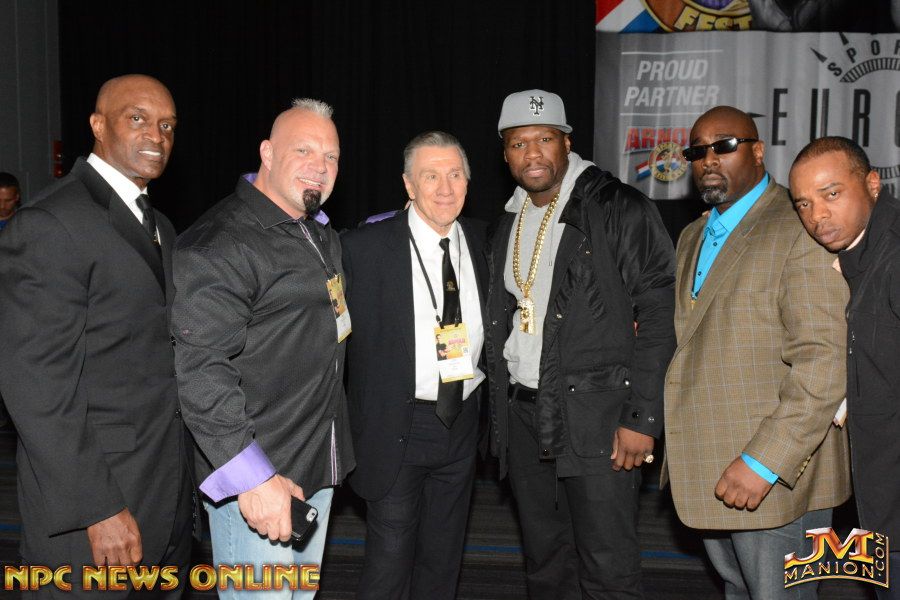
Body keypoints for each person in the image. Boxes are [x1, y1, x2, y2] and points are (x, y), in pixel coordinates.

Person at [0, 74, 193, 595]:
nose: (156, 135)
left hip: (165, 498)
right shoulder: (50, 223)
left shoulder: (161, 225)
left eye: (168, 125)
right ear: (98, 125)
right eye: (138, 119)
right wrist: (97, 508)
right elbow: (36, 388)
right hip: (94, 514)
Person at [484, 89, 675, 599]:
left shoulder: (617, 206)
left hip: (598, 416)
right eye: (519, 143)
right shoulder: (509, 219)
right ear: (505, 153)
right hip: (525, 413)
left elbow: (660, 312)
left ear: (567, 143)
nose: (533, 154)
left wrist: (642, 418)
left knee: (607, 566)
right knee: (546, 563)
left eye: (545, 139)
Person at [663, 106, 850, 599]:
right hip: (711, 465)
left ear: (759, 150)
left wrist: (764, 462)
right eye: (697, 151)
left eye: (724, 145)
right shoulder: (692, 235)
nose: (709, 159)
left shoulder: (800, 225)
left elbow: (824, 361)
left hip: (778, 474)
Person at [171, 98, 354, 599]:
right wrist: (253, 480)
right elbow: (199, 371)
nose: (320, 165)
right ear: (267, 153)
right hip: (259, 479)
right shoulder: (221, 242)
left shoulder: (315, 231)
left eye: (332, 156)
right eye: (304, 150)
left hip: (313, 464)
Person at [341, 131, 487, 600]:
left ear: (468, 182)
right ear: (408, 185)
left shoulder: (484, 240)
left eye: (455, 174)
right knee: (389, 565)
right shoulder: (363, 249)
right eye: (430, 176)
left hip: (461, 423)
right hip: (395, 426)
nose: (445, 188)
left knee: (443, 562)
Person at [789, 136, 900, 600]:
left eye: (831, 194)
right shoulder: (856, 259)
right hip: (880, 500)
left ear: (872, 184)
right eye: (803, 203)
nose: (817, 215)